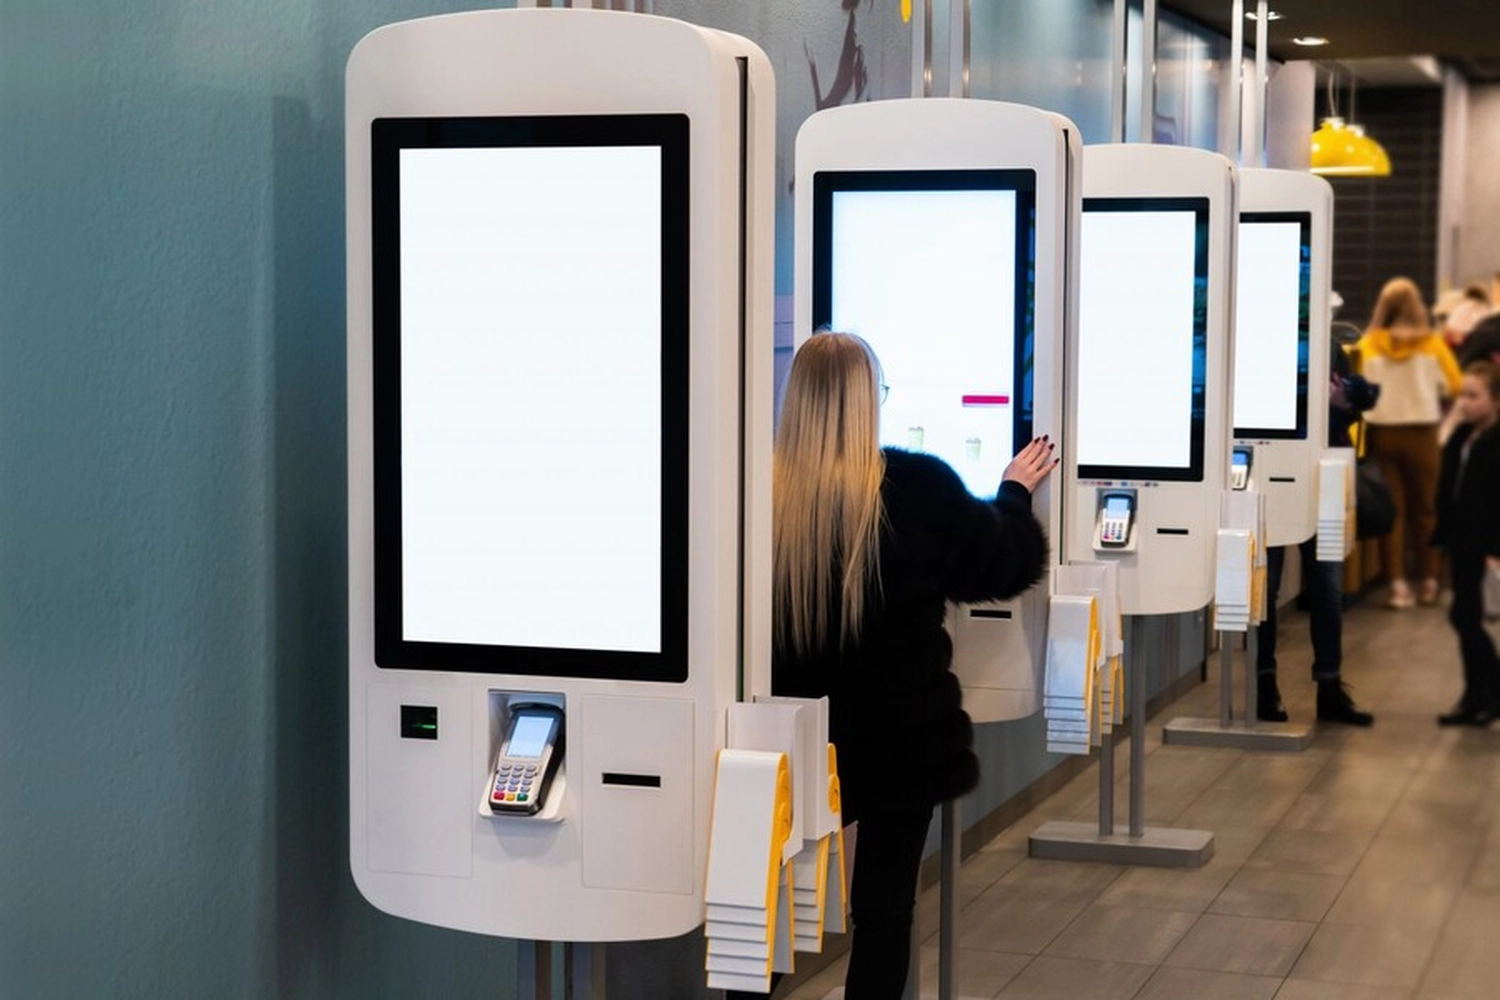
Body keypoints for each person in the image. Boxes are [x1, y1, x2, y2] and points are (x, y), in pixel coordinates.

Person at [770, 332, 1054, 998]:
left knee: (763, 914)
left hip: (789, 746)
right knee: (885, 913)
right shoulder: (916, 488)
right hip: (899, 743)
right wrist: (1013, 491)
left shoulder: (757, 497)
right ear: (870, 402)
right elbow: (1005, 561)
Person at [1255, 343, 1377, 726]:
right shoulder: (1258, 345)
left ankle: (1329, 686)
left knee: (1327, 588)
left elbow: (1355, 411)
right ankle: (1264, 686)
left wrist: (1341, 402)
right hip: (1267, 476)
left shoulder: (1329, 346)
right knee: (1265, 588)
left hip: (1322, 478)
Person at [1354, 277, 1462, 609]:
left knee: (1394, 513)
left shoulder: (1369, 344)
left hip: (1383, 434)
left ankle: (1398, 587)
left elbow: (1360, 391)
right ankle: (1429, 581)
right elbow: (1454, 385)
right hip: (1422, 434)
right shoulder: (1432, 344)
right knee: (1426, 510)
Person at [1432, 360, 1500, 726]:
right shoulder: (1462, 435)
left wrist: (1495, 549)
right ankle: (1477, 695)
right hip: (1460, 539)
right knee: (1464, 616)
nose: (1465, 403)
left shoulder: (1496, 441)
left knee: (1465, 616)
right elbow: (1448, 488)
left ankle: (1486, 692)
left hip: (1482, 543)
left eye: (1474, 396)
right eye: (1463, 395)